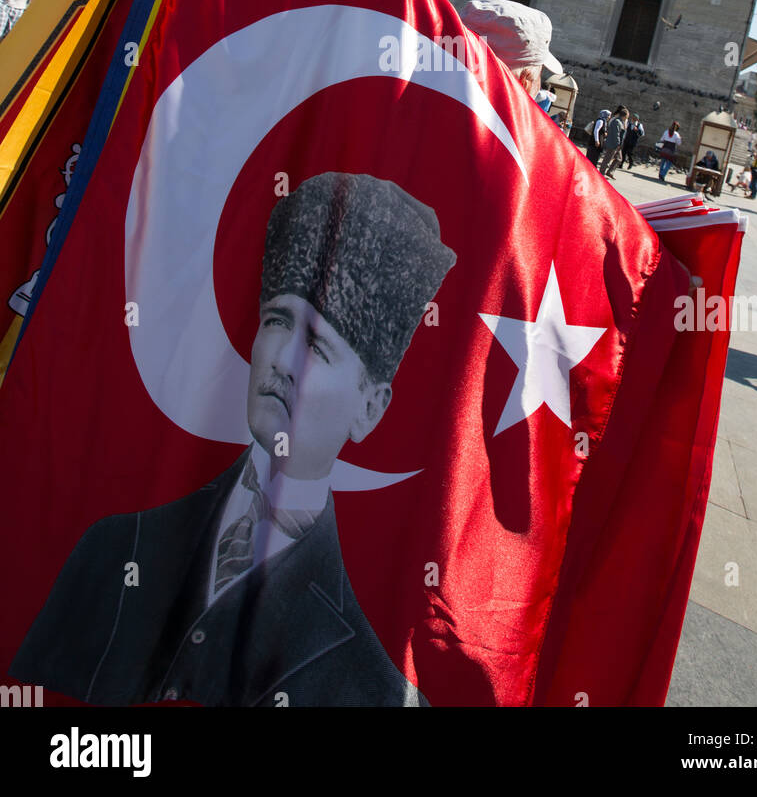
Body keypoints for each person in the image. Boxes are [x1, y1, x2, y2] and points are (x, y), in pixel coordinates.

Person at [13, 172, 456, 706]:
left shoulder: (373, 688)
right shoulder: (112, 550)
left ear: (369, 407)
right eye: (276, 320)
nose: (283, 359)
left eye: (317, 346)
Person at [598, 105, 629, 178]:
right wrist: (618, 143)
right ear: (624, 115)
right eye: (627, 116)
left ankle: (610, 171)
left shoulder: (621, 122)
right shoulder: (616, 121)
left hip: (617, 144)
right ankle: (601, 173)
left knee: (619, 159)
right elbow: (616, 134)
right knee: (607, 158)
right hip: (613, 143)